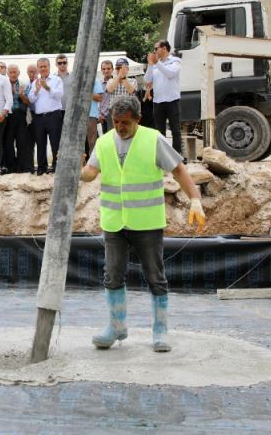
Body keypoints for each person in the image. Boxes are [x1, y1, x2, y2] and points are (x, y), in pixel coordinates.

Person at [81, 95, 205, 353]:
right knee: (112, 274)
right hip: (115, 222)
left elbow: (179, 170)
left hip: (146, 222)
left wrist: (195, 199)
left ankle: (160, 331)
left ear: (138, 119)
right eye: (116, 122)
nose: (120, 127)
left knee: (155, 276)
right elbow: (91, 173)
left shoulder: (153, 139)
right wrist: (75, 168)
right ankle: (116, 326)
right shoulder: (104, 142)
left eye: (125, 122)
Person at [145, 40, 183, 155]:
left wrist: (157, 63)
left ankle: (177, 156)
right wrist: (150, 65)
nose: (154, 51)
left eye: (156, 49)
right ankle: (162, 156)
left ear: (164, 48)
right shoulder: (156, 64)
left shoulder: (175, 61)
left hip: (172, 100)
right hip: (158, 101)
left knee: (175, 129)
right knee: (159, 131)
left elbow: (170, 73)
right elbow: (147, 80)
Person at [28, 57, 64, 175]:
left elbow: (59, 95)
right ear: (38, 68)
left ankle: (56, 167)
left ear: (49, 67)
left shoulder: (56, 80)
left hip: (54, 116)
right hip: (39, 118)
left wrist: (47, 87)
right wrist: (37, 89)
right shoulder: (35, 82)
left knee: (55, 143)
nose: (43, 69)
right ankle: (41, 168)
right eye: (40, 67)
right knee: (40, 143)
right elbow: (31, 99)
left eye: (45, 66)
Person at [2, 63, 30, 173]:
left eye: (15, 72)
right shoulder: (3, 84)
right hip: (8, 116)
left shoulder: (24, 84)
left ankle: (20, 168)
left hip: (20, 116)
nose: (13, 74)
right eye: (11, 72)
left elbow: (28, 103)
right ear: (7, 73)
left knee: (21, 143)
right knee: (8, 143)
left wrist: (21, 95)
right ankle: (11, 167)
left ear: (18, 73)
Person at [86, 69, 106, 155]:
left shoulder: (95, 80)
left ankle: (93, 165)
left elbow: (99, 98)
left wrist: (85, 93)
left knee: (92, 143)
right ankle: (80, 166)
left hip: (91, 115)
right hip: (77, 116)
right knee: (77, 144)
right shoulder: (76, 80)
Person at [97, 60, 114, 133]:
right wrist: (98, 113)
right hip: (103, 116)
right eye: (104, 69)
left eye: (108, 68)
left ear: (112, 69)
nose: (106, 71)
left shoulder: (116, 82)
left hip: (114, 115)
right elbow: (96, 100)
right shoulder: (98, 83)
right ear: (101, 70)